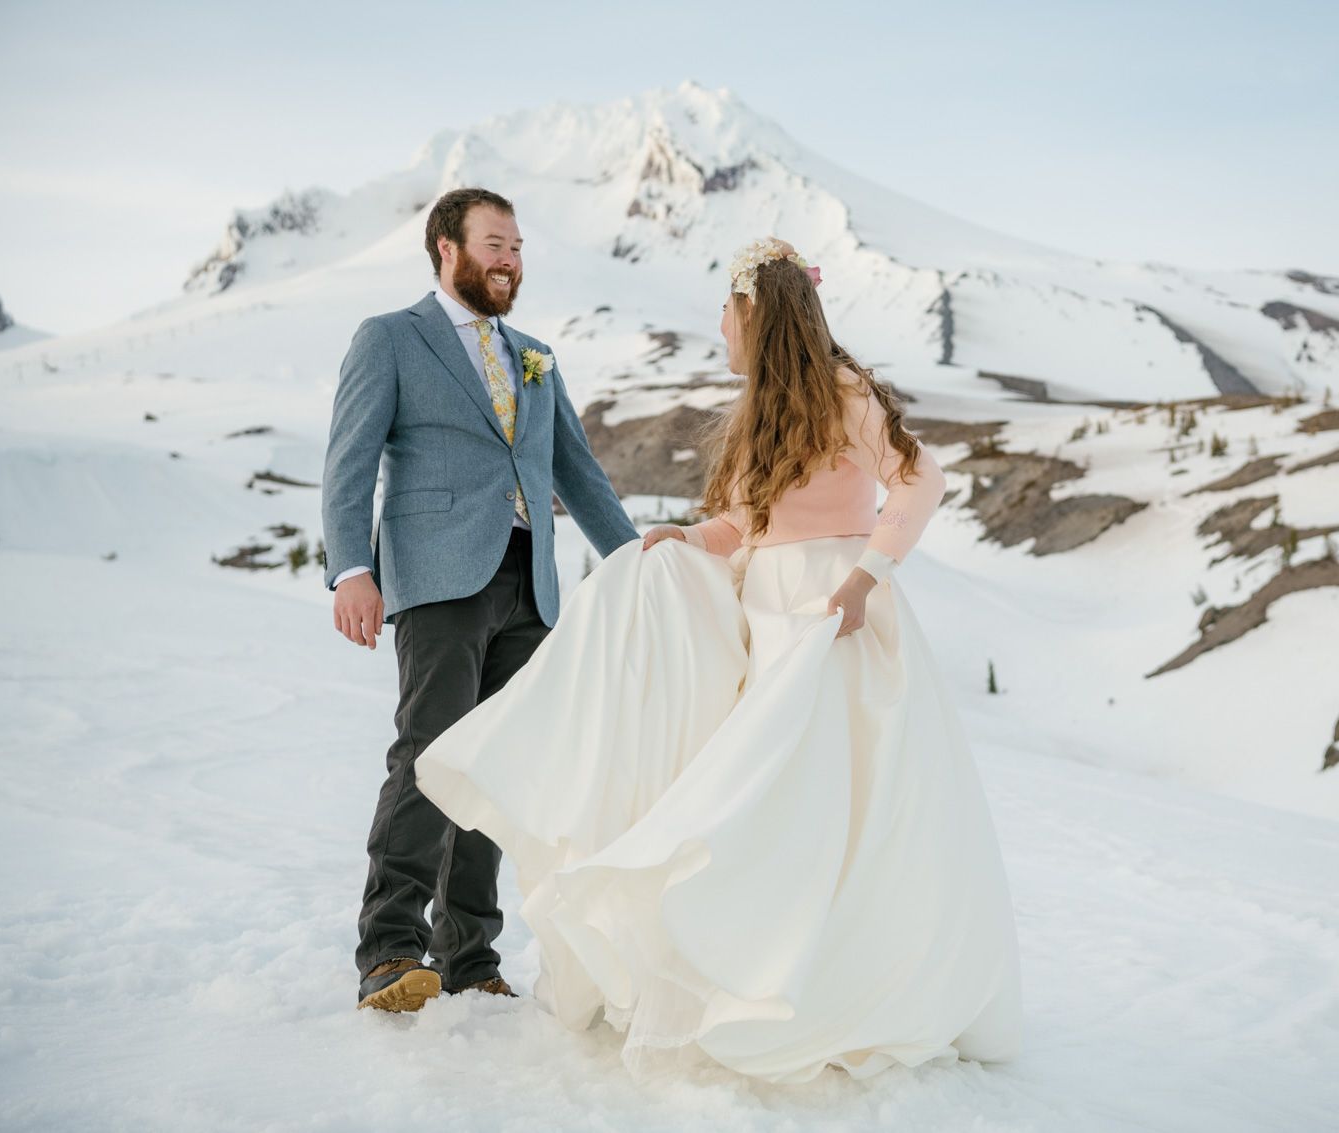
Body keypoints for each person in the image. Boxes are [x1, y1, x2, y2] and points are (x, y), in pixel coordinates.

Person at [413, 237, 1022, 1083]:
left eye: (726, 317)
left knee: (835, 808)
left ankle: (839, 989)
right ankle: (749, 973)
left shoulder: (847, 393)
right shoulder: (755, 413)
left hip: (834, 620)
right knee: (763, 812)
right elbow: (745, 526)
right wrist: (683, 539)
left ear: (757, 317)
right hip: (765, 617)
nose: (720, 334)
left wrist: (862, 579)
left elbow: (919, 482)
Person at [320, 187, 639, 1013]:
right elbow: (350, 461)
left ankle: (470, 955)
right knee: (430, 754)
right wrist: (352, 565)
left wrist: (636, 562)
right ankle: (390, 950)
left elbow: (579, 470)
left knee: (498, 770)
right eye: (495, 245)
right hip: (439, 577)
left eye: (520, 247)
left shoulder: (535, 353)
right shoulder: (391, 338)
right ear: (446, 249)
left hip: (531, 585)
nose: (510, 261)